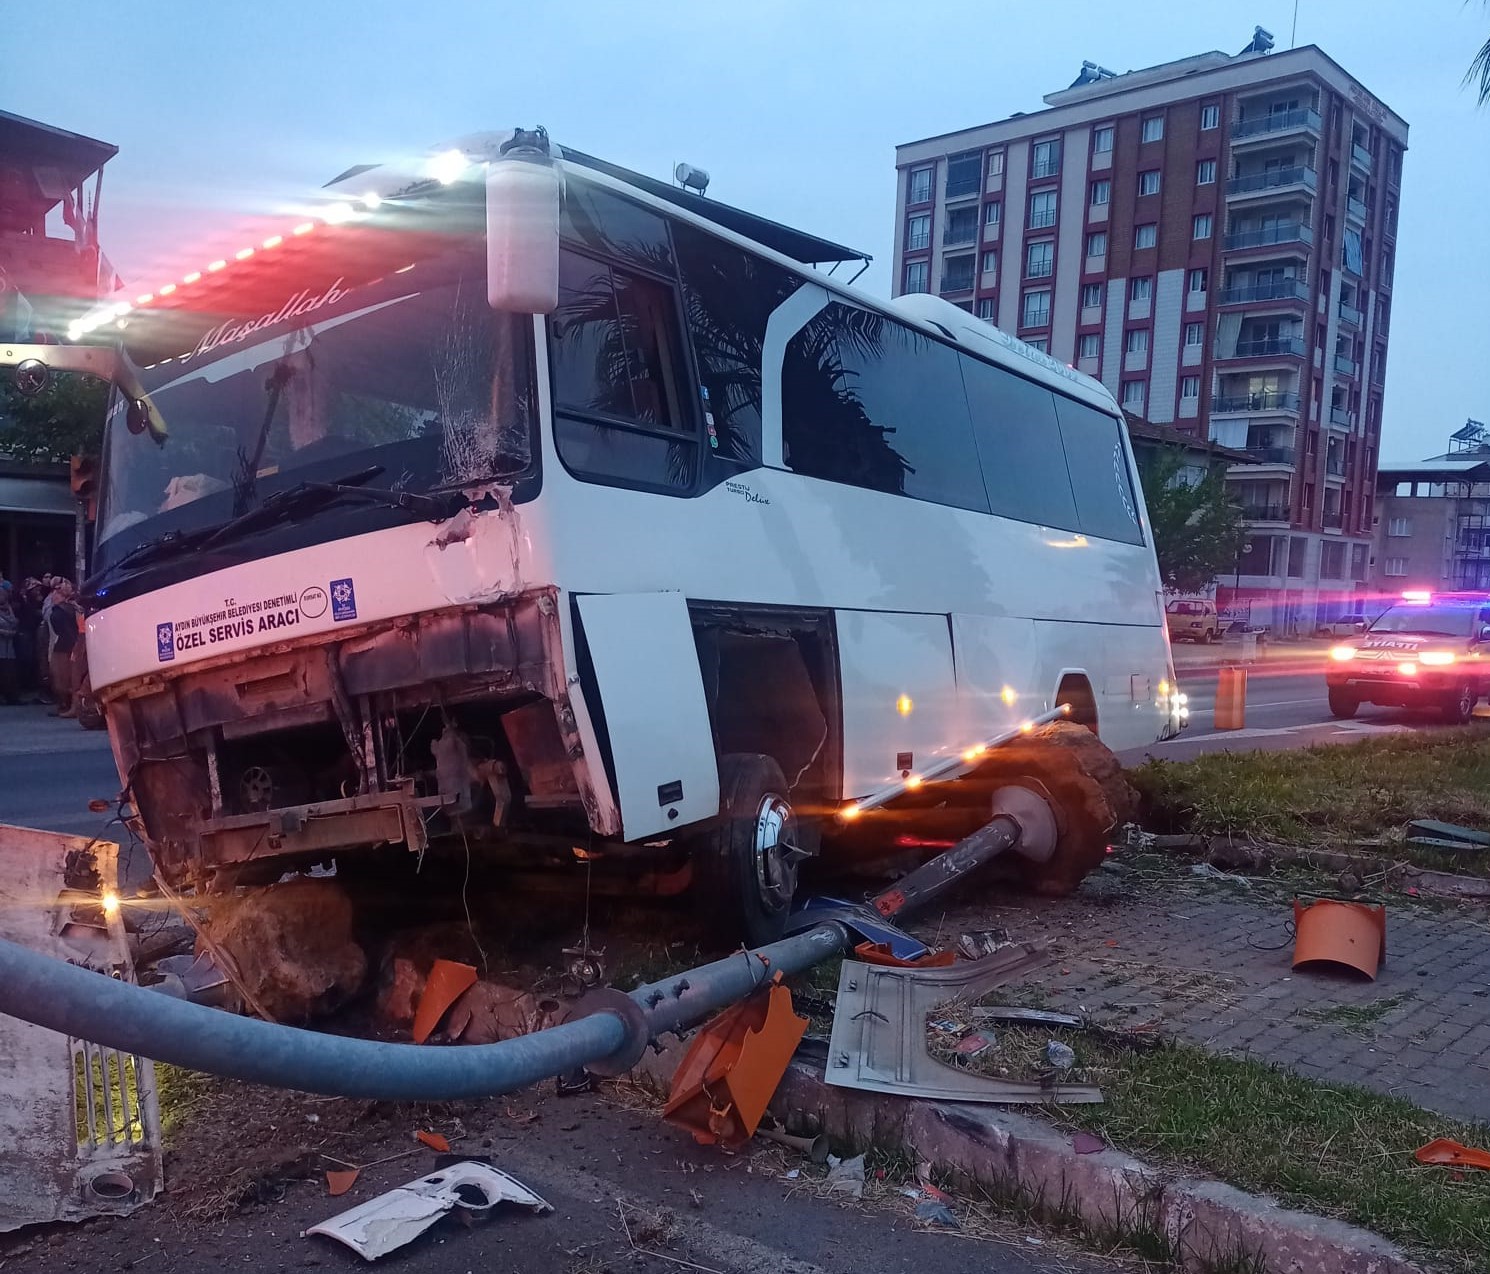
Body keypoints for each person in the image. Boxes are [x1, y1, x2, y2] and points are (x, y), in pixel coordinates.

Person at [47, 580, 80, 718]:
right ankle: (66, 704)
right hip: (67, 644)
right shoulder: (71, 609)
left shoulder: (62, 611)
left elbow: (63, 630)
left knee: (64, 678)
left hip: (64, 646)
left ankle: (70, 705)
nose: (53, 596)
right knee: (64, 678)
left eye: (57, 593)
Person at [0, 593, 18, 705]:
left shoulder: (8, 611)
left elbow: (14, 622)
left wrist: (10, 609)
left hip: (9, 647)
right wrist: (5, 632)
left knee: (9, 672)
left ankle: (10, 696)